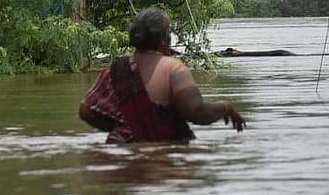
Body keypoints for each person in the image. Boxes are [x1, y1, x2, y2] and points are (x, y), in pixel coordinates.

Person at [79, 7, 246, 143]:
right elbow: (196, 112)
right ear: (164, 40)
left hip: (119, 153)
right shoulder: (173, 68)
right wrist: (225, 107)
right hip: (164, 157)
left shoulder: (113, 70)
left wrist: (125, 128)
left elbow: (86, 111)